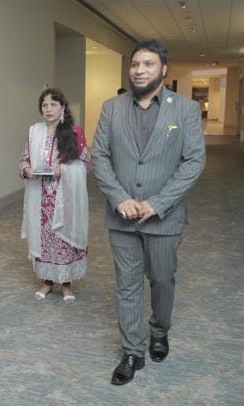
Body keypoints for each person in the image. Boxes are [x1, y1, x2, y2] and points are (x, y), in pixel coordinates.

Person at [91, 40, 206, 385]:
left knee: (162, 280)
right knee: (127, 286)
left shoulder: (184, 109)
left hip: (165, 218)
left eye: (148, 64)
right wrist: (119, 198)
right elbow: (99, 156)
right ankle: (132, 351)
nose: (139, 70)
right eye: (135, 64)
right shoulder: (112, 108)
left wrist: (158, 202)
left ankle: (159, 330)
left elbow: (194, 160)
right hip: (121, 218)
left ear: (163, 69)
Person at [20, 88, 90, 303]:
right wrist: (27, 169)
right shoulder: (34, 132)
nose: (48, 109)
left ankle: (66, 284)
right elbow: (24, 159)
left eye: (53, 104)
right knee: (43, 240)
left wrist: (65, 169)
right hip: (40, 197)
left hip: (65, 196)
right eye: (44, 105)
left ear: (63, 107)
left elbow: (86, 163)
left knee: (63, 240)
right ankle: (47, 281)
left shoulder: (74, 131)